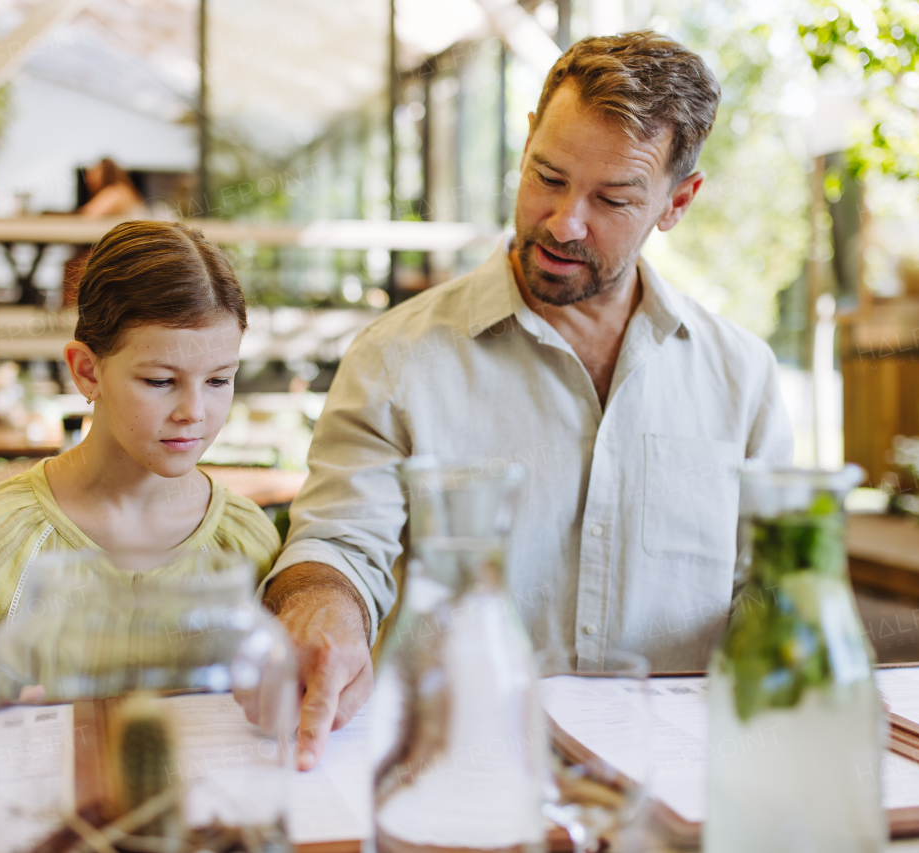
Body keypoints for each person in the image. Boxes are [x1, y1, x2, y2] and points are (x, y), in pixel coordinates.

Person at [257, 32, 794, 770]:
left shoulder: (744, 377)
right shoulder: (396, 356)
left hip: (673, 786)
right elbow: (340, 545)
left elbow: (771, 586)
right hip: (460, 771)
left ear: (677, 203)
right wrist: (323, 609)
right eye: (547, 176)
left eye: (612, 199)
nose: (564, 221)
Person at [0, 220, 280, 708]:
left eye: (218, 381)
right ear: (87, 371)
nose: (194, 411)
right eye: (159, 381)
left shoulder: (246, 540)